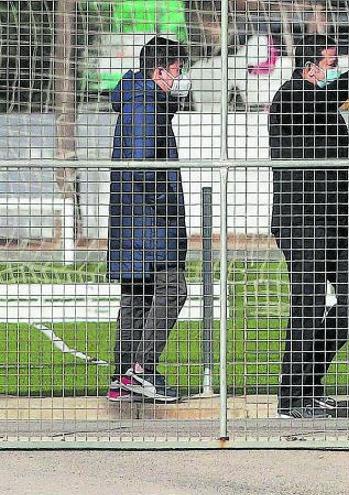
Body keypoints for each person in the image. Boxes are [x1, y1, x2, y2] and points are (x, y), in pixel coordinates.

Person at [268, 30, 349, 418]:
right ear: (309, 67)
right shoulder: (292, 95)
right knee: (309, 304)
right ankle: (292, 397)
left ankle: (309, 383)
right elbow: (328, 96)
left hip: (340, 222)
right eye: (330, 65)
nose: (334, 72)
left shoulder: (321, 100)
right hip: (304, 222)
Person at [106, 36, 191, 403]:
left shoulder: (141, 100)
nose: (177, 78)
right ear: (159, 71)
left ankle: (122, 377)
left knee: (138, 297)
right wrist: (167, 204)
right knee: (174, 289)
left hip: (135, 221)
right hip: (149, 222)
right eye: (175, 71)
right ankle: (142, 369)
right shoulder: (143, 104)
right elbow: (142, 165)